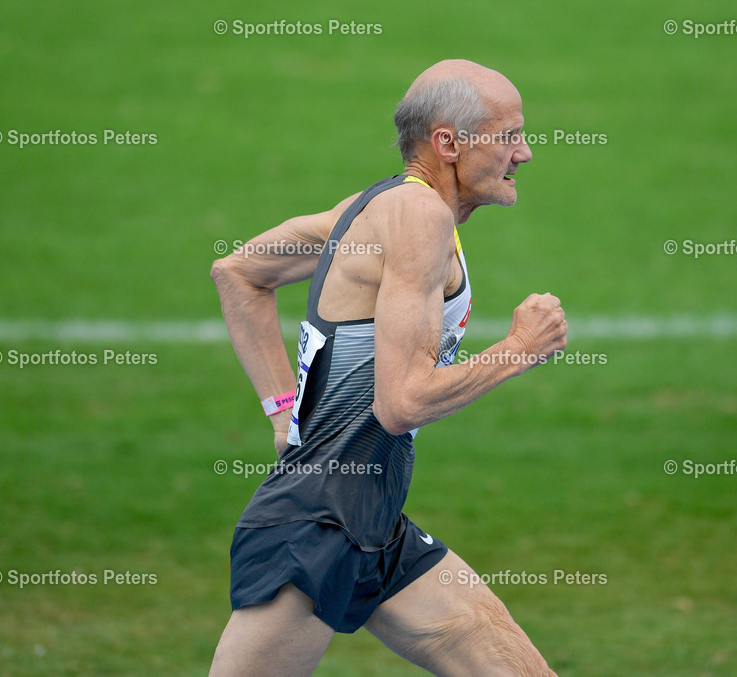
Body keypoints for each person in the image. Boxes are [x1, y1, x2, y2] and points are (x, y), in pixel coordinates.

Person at [209, 59, 567, 676]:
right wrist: (519, 349)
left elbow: (238, 272)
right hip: (316, 527)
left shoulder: (374, 210)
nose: (525, 153)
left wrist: (283, 415)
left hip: (372, 522)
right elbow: (401, 404)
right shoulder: (418, 217)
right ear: (448, 143)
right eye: (509, 135)